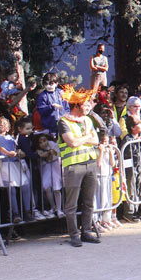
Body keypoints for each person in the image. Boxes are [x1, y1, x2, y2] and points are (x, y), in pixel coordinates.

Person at [58, 85, 101, 247]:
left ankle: (87, 232)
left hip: (90, 163)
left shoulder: (88, 120)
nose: (88, 107)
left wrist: (83, 139)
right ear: (76, 106)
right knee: (72, 204)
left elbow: (96, 140)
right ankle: (74, 234)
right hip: (73, 166)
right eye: (85, 105)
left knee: (89, 201)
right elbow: (72, 142)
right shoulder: (63, 122)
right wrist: (85, 137)